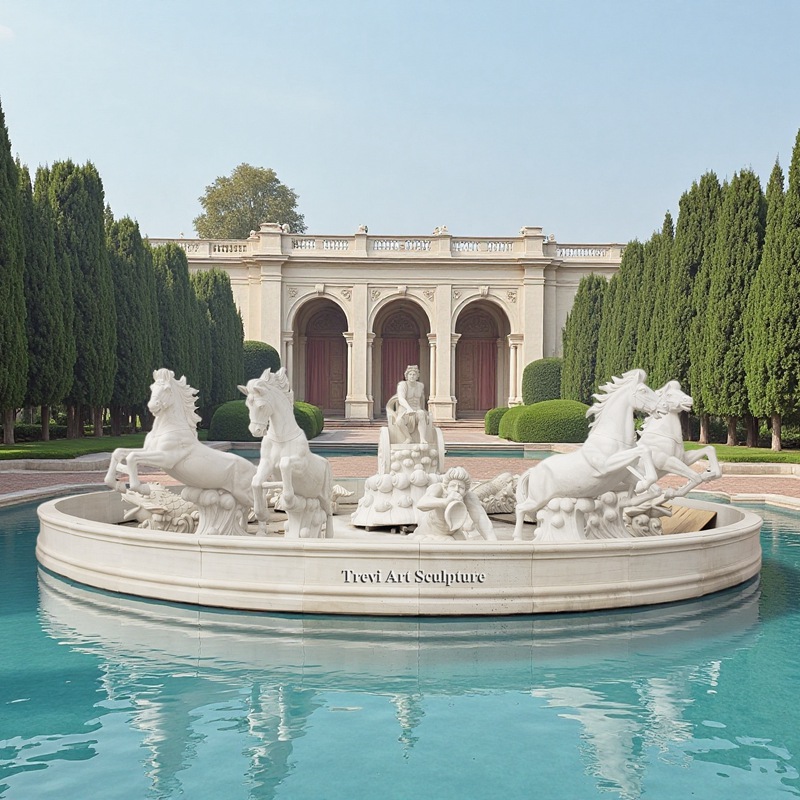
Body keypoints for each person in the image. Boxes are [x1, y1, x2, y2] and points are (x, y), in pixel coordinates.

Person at [414, 467, 496, 541]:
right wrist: (445, 502)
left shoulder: (468, 497)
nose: (456, 489)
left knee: (463, 548)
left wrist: (493, 543)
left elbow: (481, 519)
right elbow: (421, 503)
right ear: (446, 487)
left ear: (465, 491)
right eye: (453, 486)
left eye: (461, 487)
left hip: (452, 532)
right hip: (430, 531)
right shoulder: (438, 488)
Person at [394, 365, 431, 444]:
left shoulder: (420, 386)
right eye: (410, 374)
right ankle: (408, 438)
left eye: (414, 374)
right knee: (399, 421)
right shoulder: (402, 385)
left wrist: (424, 410)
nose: (412, 376)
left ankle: (422, 439)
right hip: (405, 410)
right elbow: (401, 399)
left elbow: (421, 399)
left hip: (417, 409)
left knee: (421, 413)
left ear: (417, 376)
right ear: (406, 376)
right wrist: (408, 408)